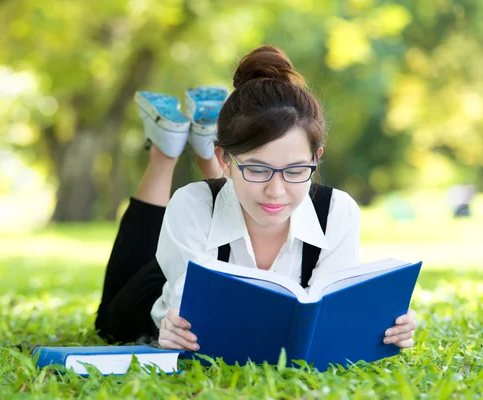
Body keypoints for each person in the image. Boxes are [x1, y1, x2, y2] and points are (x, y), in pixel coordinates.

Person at [95, 45, 417, 353]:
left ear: (316, 158)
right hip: (158, 286)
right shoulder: (189, 205)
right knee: (108, 321)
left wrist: (386, 327)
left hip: (215, 223)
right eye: (259, 168)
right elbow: (200, 316)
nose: (276, 191)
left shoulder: (337, 211)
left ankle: (214, 139)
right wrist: (176, 325)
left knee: (231, 195)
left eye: (294, 170)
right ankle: (166, 149)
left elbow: (333, 311)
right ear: (225, 157)